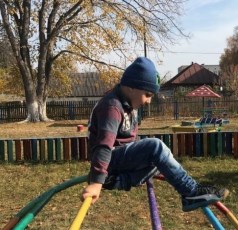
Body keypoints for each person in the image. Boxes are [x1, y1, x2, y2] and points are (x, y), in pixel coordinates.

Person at [81, 57, 229, 212]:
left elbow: (129, 141)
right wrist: (97, 181)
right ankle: (191, 192)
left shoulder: (129, 105)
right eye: (147, 94)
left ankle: (116, 181)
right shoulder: (112, 107)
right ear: (131, 87)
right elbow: (103, 146)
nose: (149, 101)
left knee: (161, 161)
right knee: (156, 147)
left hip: (117, 162)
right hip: (108, 159)